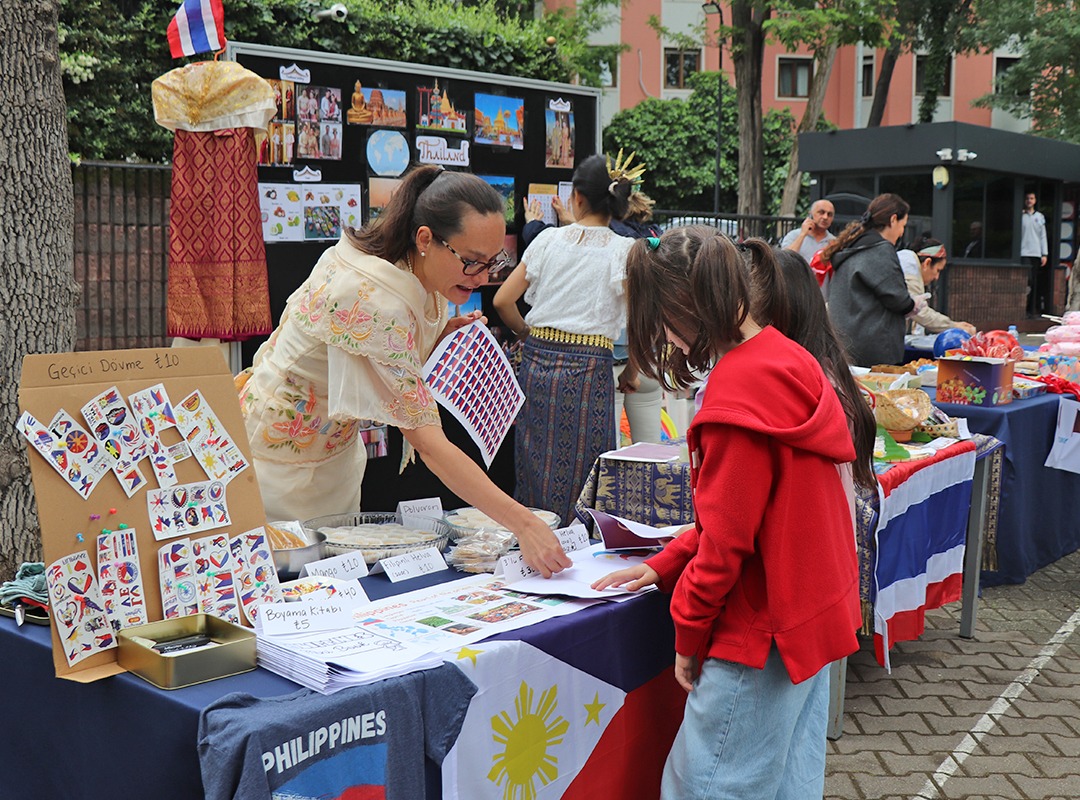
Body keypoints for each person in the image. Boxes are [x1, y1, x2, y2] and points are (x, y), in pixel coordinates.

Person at [593, 229, 861, 799]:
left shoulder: (736, 390)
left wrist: (687, 632)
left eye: (658, 320)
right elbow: (749, 515)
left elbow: (727, 543)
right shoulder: (788, 357)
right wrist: (666, 563)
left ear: (679, 307)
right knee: (789, 782)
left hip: (762, 630)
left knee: (705, 787)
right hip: (808, 617)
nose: (661, 336)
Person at [237, 166, 571, 577]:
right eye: (471, 262)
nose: (484, 278)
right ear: (425, 238)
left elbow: (373, 354)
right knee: (281, 591)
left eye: (493, 261)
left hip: (330, 458)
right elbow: (428, 444)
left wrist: (438, 335)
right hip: (275, 465)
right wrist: (523, 523)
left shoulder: (402, 266)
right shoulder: (375, 295)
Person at [493, 154, 635, 526]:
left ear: (577, 198)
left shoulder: (547, 240)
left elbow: (502, 300)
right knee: (587, 465)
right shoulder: (624, 250)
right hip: (590, 369)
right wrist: (632, 371)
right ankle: (580, 548)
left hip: (537, 364)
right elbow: (640, 322)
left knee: (533, 459)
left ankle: (530, 540)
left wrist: (527, 335)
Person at [821, 193, 922, 367]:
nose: (902, 232)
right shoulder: (880, 250)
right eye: (902, 225)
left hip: (844, 344)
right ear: (893, 219)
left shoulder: (852, 246)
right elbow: (898, 299)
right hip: (874, 350)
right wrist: (914, 304)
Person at [898, 237, 976, 335]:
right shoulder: (910, 273)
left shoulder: (904, 262)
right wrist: (954, 326)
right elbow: (921, 313)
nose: (937, 277)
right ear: (927, 263)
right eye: (938, 270)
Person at [780, 198, 836, 265]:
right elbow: (785, 260)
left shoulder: (833, 242)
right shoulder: (794, 235)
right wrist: (802, 235)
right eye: (821, 212)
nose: (825, 217)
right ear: (811, 214)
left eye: (829, 214)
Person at [1021, 191, 1049, 314]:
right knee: (1028, 280)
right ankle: (1025, 306)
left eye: (1031, 198)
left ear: (1035, 200)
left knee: (1034, 281)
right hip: (1023, 252)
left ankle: (1032, 308)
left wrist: (1044, 254)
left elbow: (1043, 236)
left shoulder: (1040, 217)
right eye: (1027, 198)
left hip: (1036, 253)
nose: (1029, 201)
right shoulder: (1021, 216)